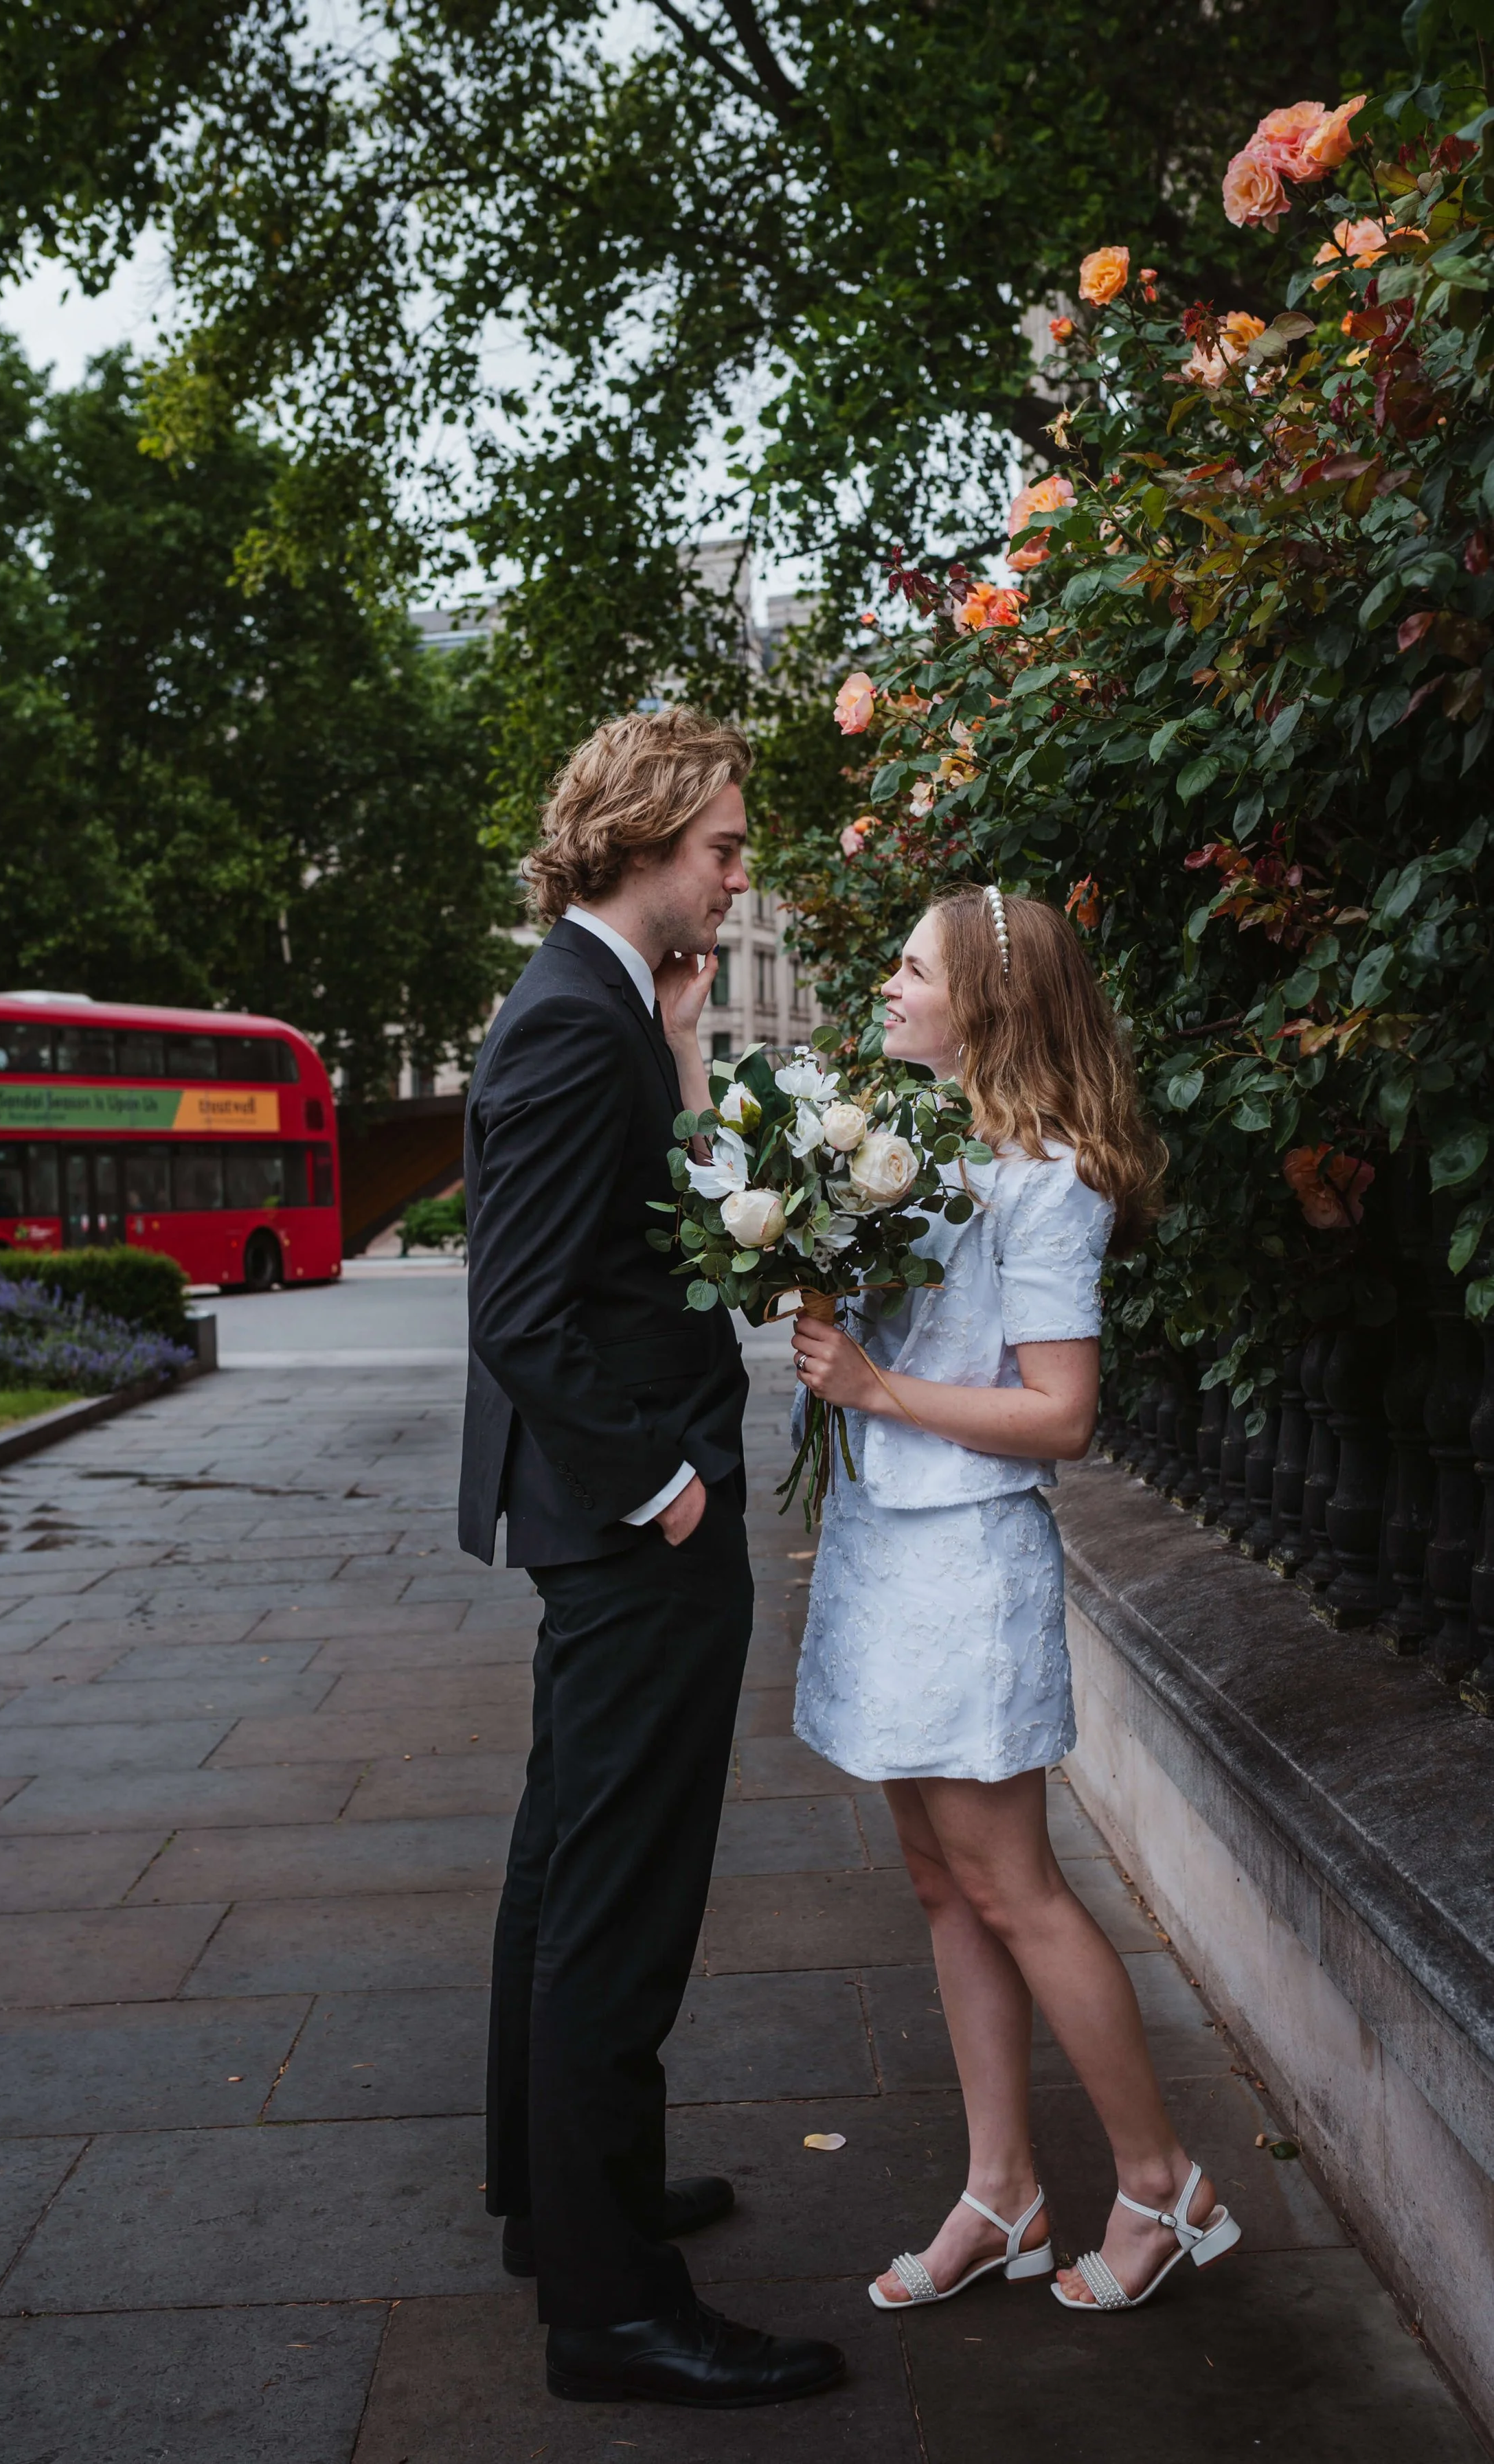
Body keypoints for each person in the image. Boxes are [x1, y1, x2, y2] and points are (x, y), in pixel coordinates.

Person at [460, 707, 846, 2407]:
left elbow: (649, 1231)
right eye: (722, 850)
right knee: (618, 1903)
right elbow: (520, 1317)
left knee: (565, 1868)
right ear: (638, 844)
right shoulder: (560, 1024)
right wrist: (664, 1491)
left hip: (619, 1524)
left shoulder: (613, 1003)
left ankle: (563, 2206)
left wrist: (686, 1059)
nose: (738, 875)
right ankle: (613, 2313)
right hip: (632, 1532)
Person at [789, 885, 1243, 2316]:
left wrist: (871, 1385)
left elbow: (1059, 1416)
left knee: (1017, 1889)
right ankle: (1004, 2194)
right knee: (942, 1883)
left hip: (966, 1560)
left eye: (910, 968)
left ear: (985, 1000)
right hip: (884, 1544)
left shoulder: (1049, 1179)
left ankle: (1164, 2184)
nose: (886, 985)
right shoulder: (928, 1150)